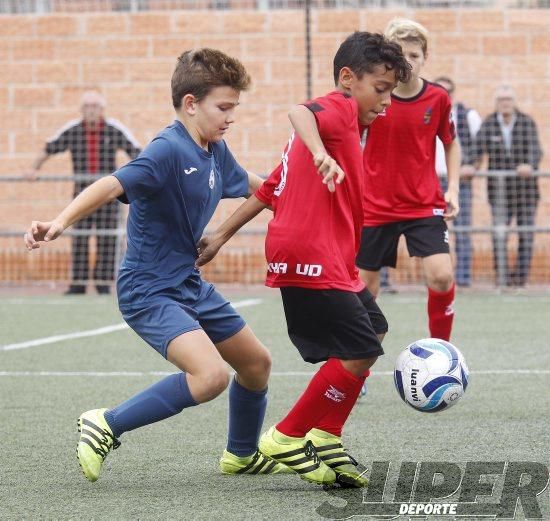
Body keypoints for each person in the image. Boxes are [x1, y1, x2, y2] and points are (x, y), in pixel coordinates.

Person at [24, 48, 288, 482]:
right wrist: (60, 222)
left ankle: (240, 455)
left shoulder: (215, 151)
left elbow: (260, 189)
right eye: (223, 107)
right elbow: (110, 184)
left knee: (256, 364)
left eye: (234, 108)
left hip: (188, 283)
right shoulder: (167, 149)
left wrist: (304, 203)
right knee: (209, 377)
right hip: (148, 290)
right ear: (190, 103)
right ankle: (106, 423)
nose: (230, 117)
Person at [196, 32, 410, 488]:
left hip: (324, 254)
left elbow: (271, 188)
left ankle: (326, 432)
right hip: (310, 252)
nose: (387, 101)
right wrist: (319, 152)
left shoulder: (348, 126)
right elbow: (299, 112)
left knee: (374, 329)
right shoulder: (337, 109)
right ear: (348, 80)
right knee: (360, 348)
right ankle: (287, 436)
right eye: (382, 88)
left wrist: (220, 234)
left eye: (392, 90)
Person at [354, 19, 461, 342]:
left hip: (423, 203)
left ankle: (442, 354)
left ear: (425, 57)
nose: (408, 61)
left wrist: (452, 187)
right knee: (365, 288)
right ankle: (360, 367)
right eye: (401, 54)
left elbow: (451, 141)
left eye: (415, 55)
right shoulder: (372, 96)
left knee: (442, 275)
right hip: (374, 205)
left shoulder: (438, 98)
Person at [25, 91, 142, 295]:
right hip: (81, 197)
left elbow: (137, 151)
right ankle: (77, 284)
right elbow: (50, 147)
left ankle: (102, 283)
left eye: (95, 106)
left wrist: (137, 177)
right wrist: (34, 168)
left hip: (108, 197)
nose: (91, 110)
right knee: (79, 238)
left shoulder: (114, 129)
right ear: (82, 110)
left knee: (107, 240)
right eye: (87, 106)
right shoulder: (73, 130)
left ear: (102, 109)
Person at [473, 85, 543, 287]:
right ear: (497, 103)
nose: (505, 103)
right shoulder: (489, 123)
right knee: (499, 234)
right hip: (499, 193)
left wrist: (529, 164)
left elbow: (535, 149)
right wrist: (469, 164)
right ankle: (502, 278)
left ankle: (520, 280)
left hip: (526, 192)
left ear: (514, 102)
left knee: (526, 235)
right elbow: (478, 148)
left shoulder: (526, 122)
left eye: (508, 99)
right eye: (501, 99)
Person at [434, 76, 482, 288]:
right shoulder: (425, 112)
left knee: (462, 230)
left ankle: (462, 278)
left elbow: (480, 147)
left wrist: (472, 166)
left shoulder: (467, 115)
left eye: (447, 91)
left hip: (459, 181)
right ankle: (435, 275)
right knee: (431, 230)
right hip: (430, 181)